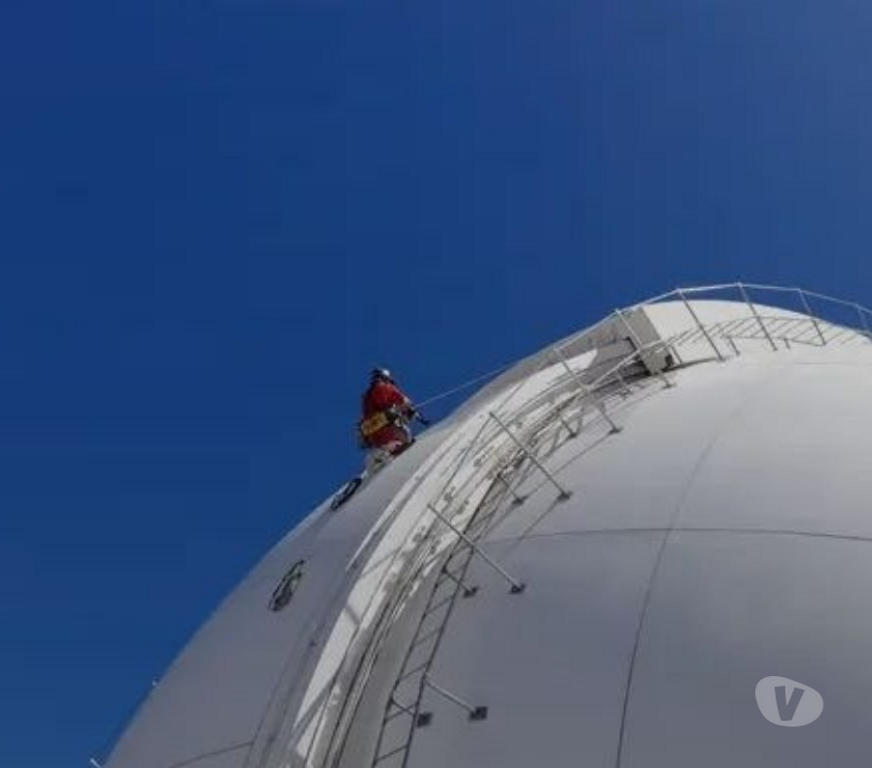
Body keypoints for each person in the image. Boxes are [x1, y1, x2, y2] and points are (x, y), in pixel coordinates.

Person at [359, 368, 428, 456]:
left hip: (373, 429)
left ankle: (381, 454)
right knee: (400, 427)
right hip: (379, 423)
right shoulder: (382, 387)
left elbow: (394, 400)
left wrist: (413, 413)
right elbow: (396, 399)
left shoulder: (372, 392)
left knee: (403, 432)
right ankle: (391, 448)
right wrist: (408, 408)